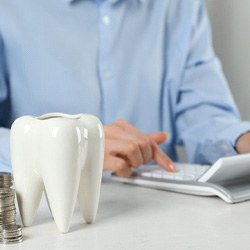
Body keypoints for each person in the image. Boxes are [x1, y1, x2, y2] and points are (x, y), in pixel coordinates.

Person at [0, 0, 250, 176]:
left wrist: (239, 139)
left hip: (162, 212)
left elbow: (203, 113)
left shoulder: (180, 5)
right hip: (48, 215)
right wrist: (58, 147)